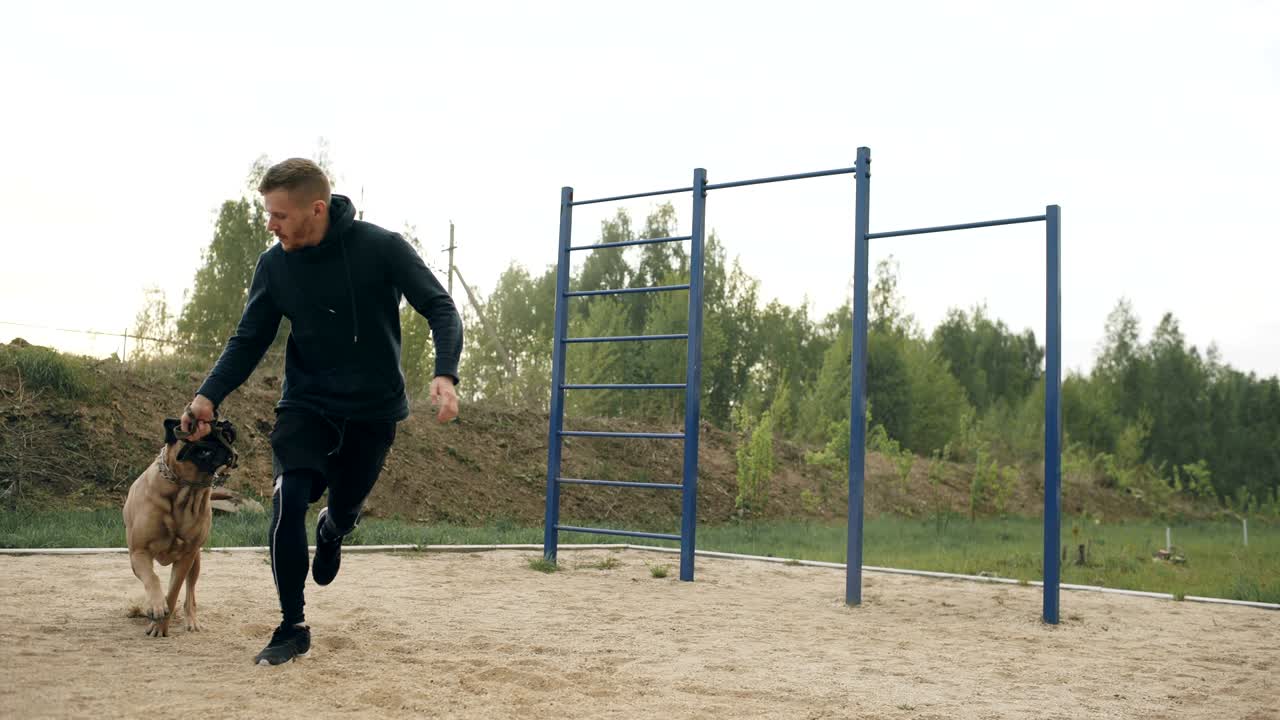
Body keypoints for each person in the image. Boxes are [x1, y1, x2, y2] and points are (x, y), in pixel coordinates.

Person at [179, 158, 462, 665]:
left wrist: (445, 372)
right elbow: (249, 339)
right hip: (306, 405)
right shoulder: (275, 266)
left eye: (279, 215)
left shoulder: (382, 247)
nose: (271, 225)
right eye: (268, 214)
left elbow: (440, 306)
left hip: (373, 412)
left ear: (316, 209)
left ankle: (335, 527)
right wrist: (207, 396)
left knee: (345, 507)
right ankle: (292, 626)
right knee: (288, 500)